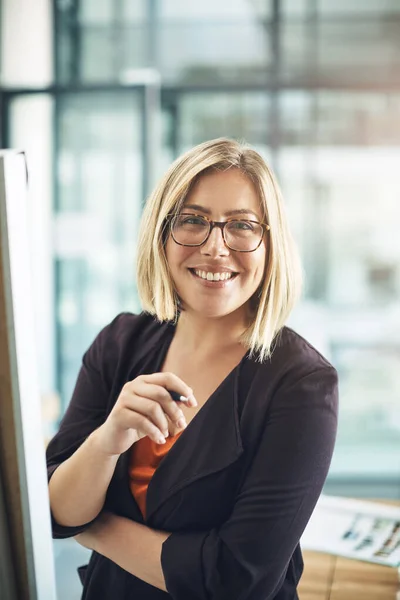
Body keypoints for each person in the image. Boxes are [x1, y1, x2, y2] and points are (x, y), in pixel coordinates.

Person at [46, 138, 338, 600]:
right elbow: (55, 510)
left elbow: (235, 581)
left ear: (271, 243)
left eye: (241, 225)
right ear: (162, 236)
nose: (215, 248)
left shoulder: (301, 383)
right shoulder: (120, 343)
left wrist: (94, 526)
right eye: (193, 220)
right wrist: (106, 442)